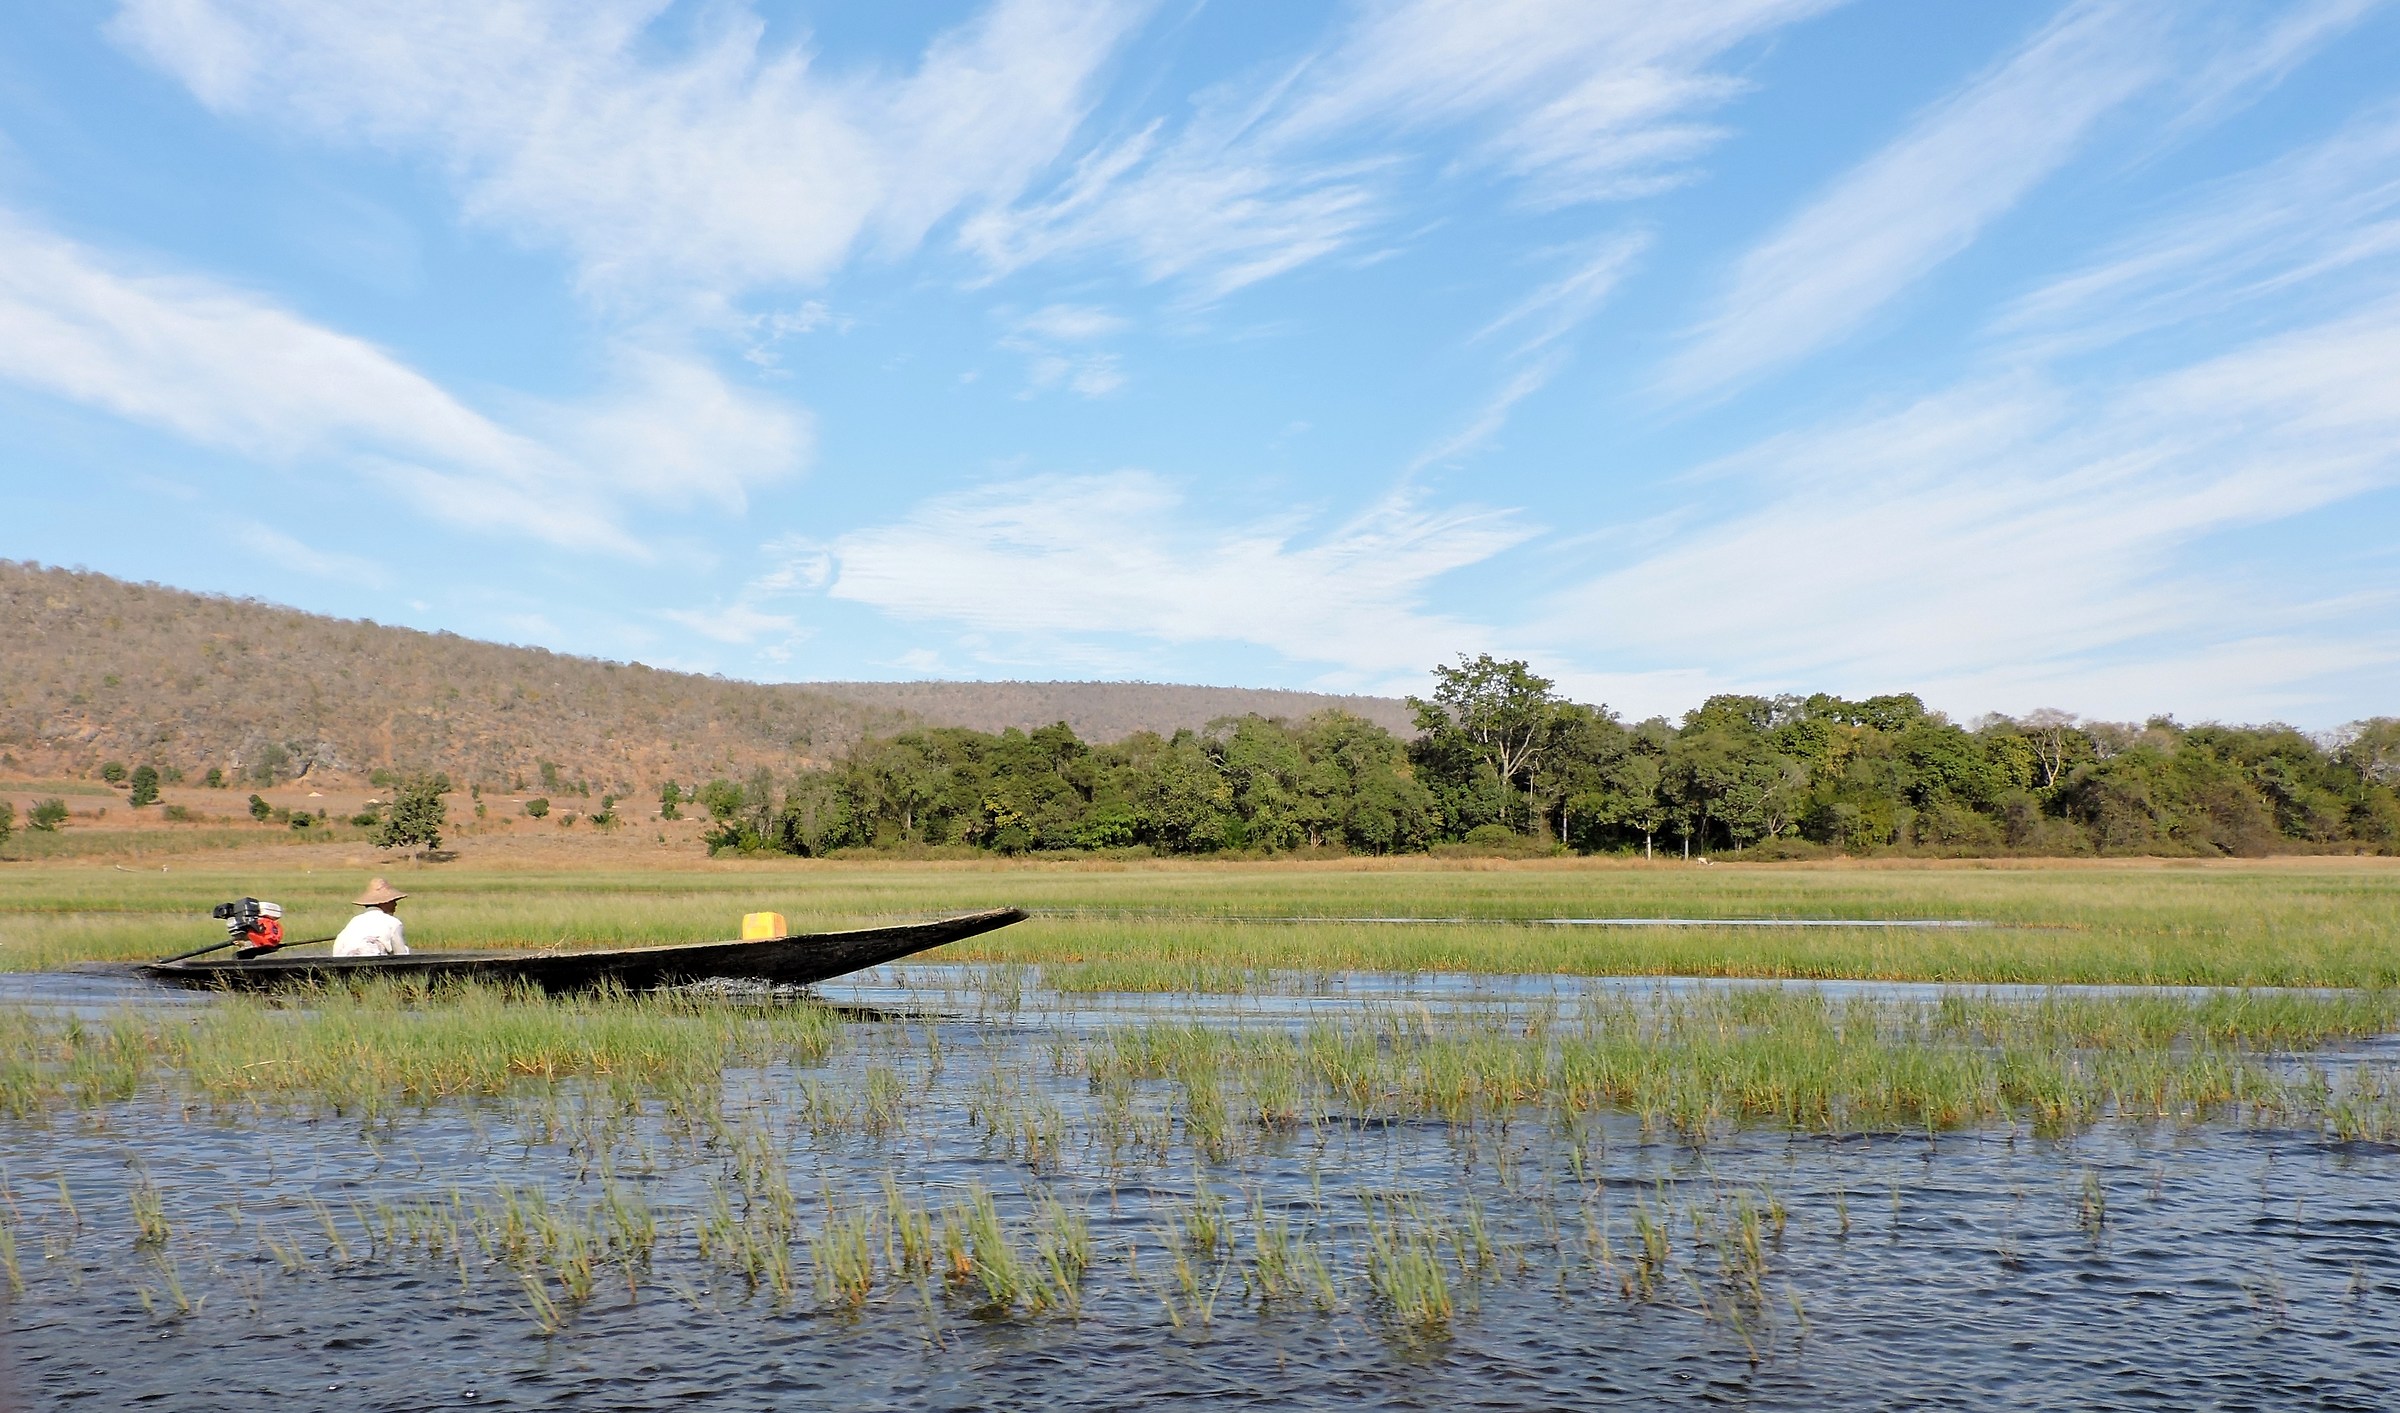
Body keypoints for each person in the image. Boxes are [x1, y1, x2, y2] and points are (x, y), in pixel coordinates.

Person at [332, 877, 412, 957]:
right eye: (393, 901)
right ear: (384, 902)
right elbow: (401, 955)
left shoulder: (354, 921)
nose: (395, 905)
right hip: (374, 963)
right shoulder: (393, 923)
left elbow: (337, 952)